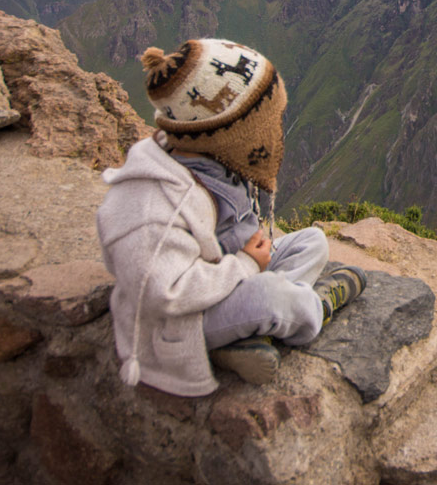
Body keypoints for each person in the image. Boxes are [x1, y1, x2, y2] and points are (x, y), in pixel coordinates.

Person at [96, 38, 366, 396]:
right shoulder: (151, 206)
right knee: (271, 296)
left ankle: (247, 338)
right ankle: (315, 307)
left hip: (224, 275)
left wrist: (247, 260)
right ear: (225, 130)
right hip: (184, 321)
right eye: (260, 121)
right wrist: (244, 266)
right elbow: (164, 293)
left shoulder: (205, 159)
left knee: (312, 241)